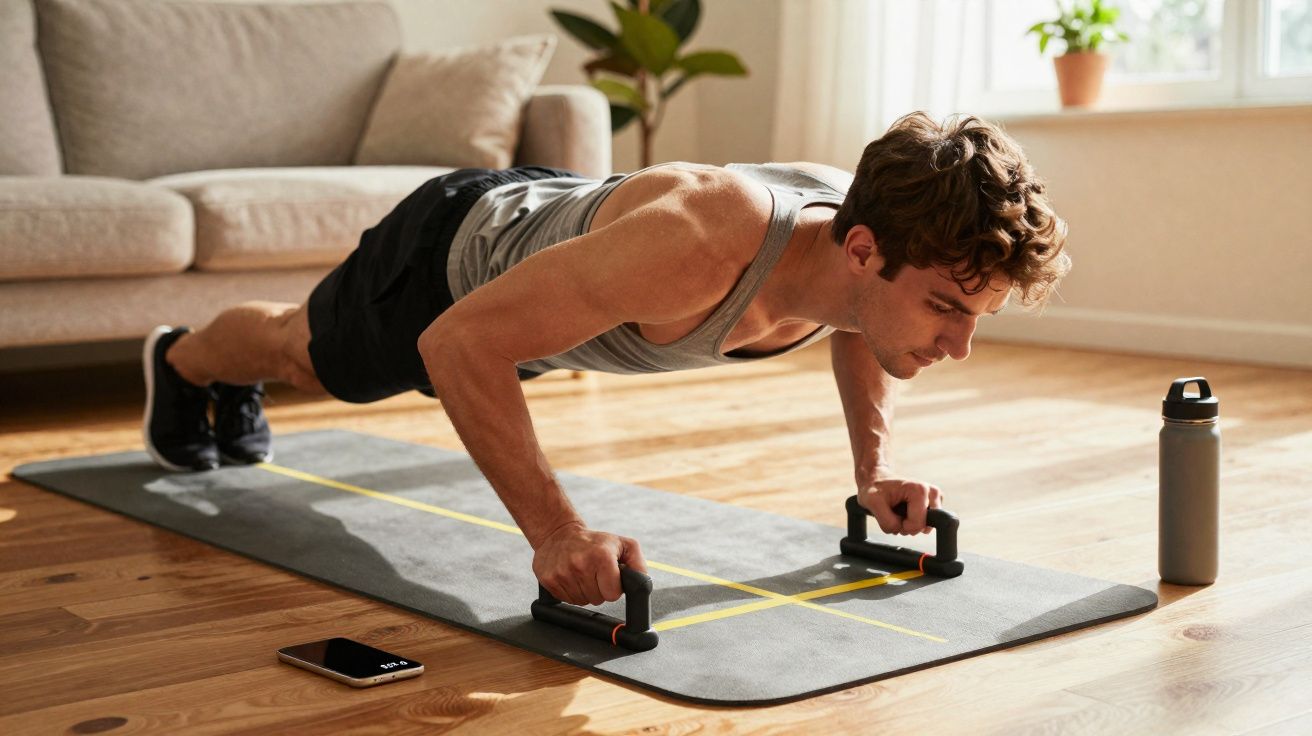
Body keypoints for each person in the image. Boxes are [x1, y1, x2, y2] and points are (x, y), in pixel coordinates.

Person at [141, 111, 1070, 608]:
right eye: (947, 308)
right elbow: (458, 341)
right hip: (446, 265)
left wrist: (875, 470)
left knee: (479, 344)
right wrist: (556, 533)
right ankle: (184, 362)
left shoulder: (859, 250)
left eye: (976, 315)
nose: (959, 344)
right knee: (305, 356)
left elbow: (864, 328)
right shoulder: (706, 245)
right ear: (863, 249)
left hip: (563, 249)